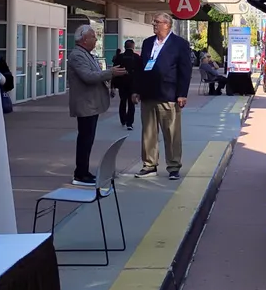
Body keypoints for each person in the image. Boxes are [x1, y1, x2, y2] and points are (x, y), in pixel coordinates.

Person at [132, 13, 192, 180]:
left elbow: (185, 71)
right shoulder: (147, 43)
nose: (154, 24)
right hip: (148, 94)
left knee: (171, 133)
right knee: (148, 133)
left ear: (167, 24)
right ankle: (149, 165)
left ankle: (173, 166)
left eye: (157, 22)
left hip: (169, 95)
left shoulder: (180, 44)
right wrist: (136, 90)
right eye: (154, 22)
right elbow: (140, 69)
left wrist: (182, 94)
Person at [68, 25, 128, 186]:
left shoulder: (87, 54)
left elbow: (94, 74)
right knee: (85, 139)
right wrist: (111, 73)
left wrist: (109, 75)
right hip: (85, 104)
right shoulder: (77, 55)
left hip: (91, 104)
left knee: (88, 139)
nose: (96, 40)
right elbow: (88, 77)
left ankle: (83, 171)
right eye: (94, 37)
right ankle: (80, 174)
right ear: (84, 39)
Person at [112, 40, 142, 130]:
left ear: (125, 47)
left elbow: (114, 71)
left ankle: (123, 119)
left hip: (122, 83)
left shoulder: (120, 57)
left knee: (122, 101)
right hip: (133, 83)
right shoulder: (136, 57)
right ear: (133, 46)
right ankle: (130, 123)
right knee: (131, 103)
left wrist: (113, 86)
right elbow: (140, 72)